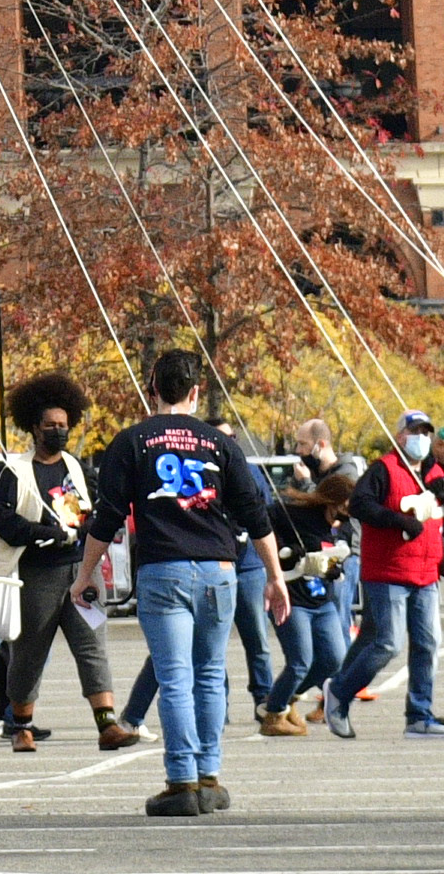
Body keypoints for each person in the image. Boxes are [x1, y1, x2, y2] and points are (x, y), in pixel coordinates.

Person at [107, 343, 272, 812]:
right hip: (220, 569)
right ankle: (210, 775)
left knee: (174, 676)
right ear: (196, 392)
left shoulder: (134, 440)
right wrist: (275, 577)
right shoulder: (220, 443)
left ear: (152, 389)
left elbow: (109, 516)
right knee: (209, 674)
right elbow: (254, 513)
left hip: (164, 568)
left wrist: (83, 575)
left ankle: (181, 782)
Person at [0, 378, 122, 752]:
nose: (58, 432)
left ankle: (107, 724)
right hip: (39, 573)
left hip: (81, 569)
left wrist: (91, 531)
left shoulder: (76, 468)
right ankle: (21, 725)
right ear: (34, 427)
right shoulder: (15, 472)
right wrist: (38, 531)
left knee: (92, 644)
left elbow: (94, 511)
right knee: (30, 651)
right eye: (50, 426)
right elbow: (2, 519)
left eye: (63, 425)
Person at [326, 414, 444, 739]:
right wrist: (397, 520)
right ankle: (340, 692)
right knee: (387, 642)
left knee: (427, 643)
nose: (421, 438)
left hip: (425, 571)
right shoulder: (383, 469)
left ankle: (419, 715)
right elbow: (359, 505)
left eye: (426, 433)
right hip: (388, 572)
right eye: (415, 432)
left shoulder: (434, 472)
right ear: (400, 436)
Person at [262, 424, 353, 738]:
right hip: (294, 597)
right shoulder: (294, 514)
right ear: (329, 504)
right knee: (300, 660)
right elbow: (265, 525)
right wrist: (290, 554)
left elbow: (340, 553)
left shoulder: (339, 526)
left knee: (333, 658)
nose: (340, 519)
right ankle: (272, 713)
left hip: (321, 599)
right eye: (339, 512)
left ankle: (285, 699)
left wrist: (334, 566)